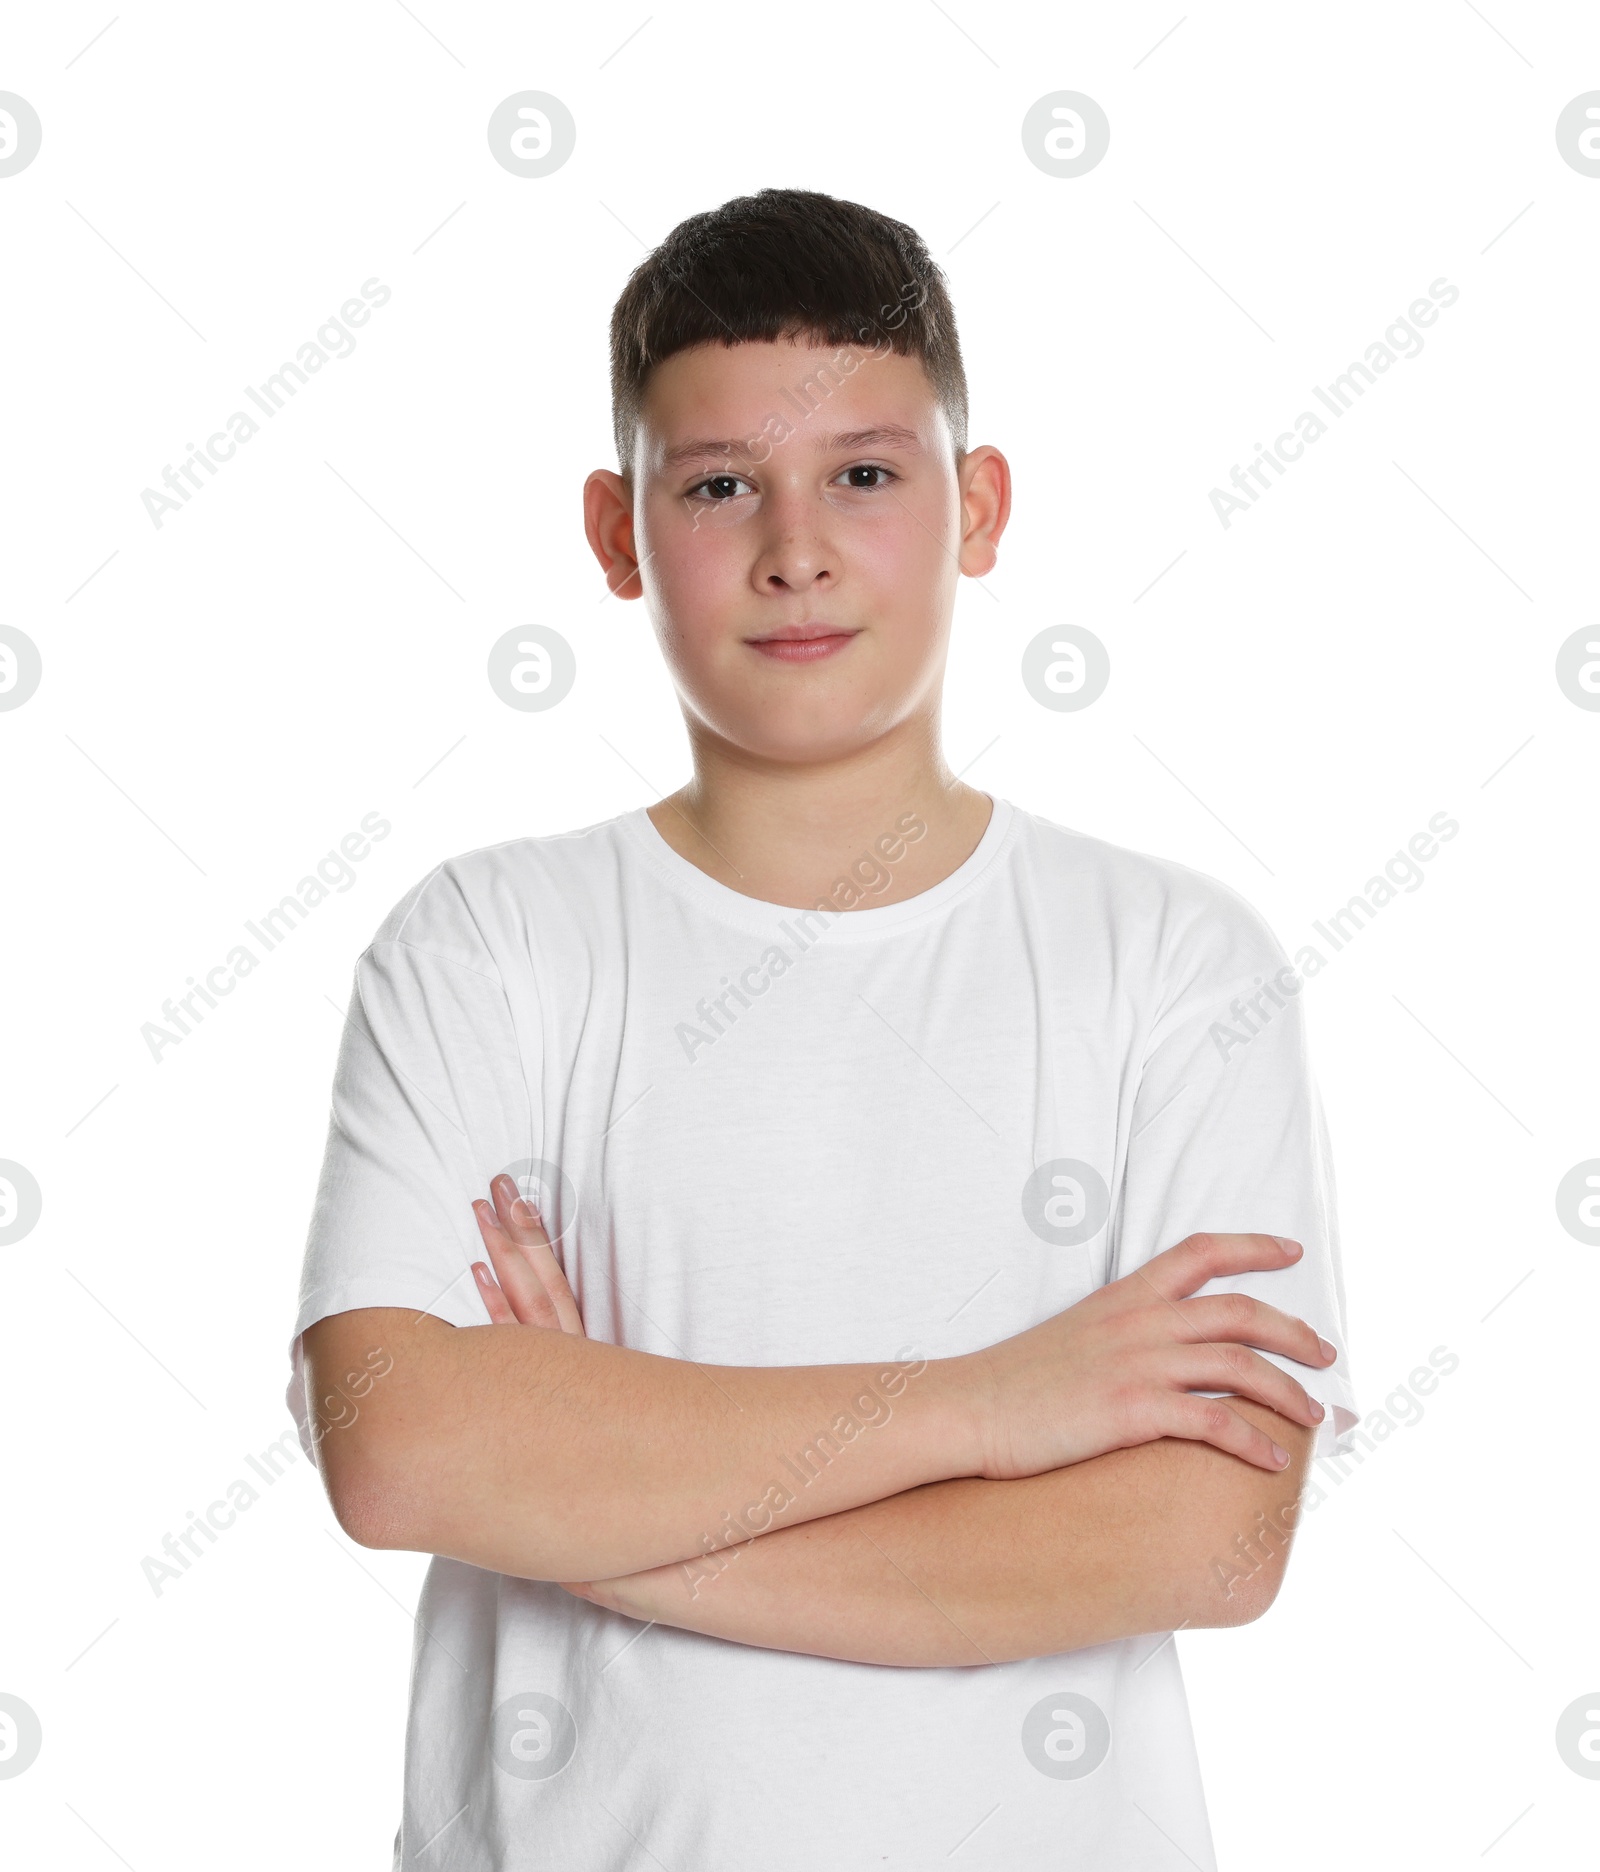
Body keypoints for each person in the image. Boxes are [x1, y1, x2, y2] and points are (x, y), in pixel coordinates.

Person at [289, 186, 1358, 1870]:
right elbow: (400, 1446)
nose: (797, 546)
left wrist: (605, 1523)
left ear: (978, 506)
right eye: (721, 486)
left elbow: (1210, 1539)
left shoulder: (1173, 964)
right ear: (617, 533)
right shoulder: (486, 948)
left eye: (865, 473)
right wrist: (1005, 1406)